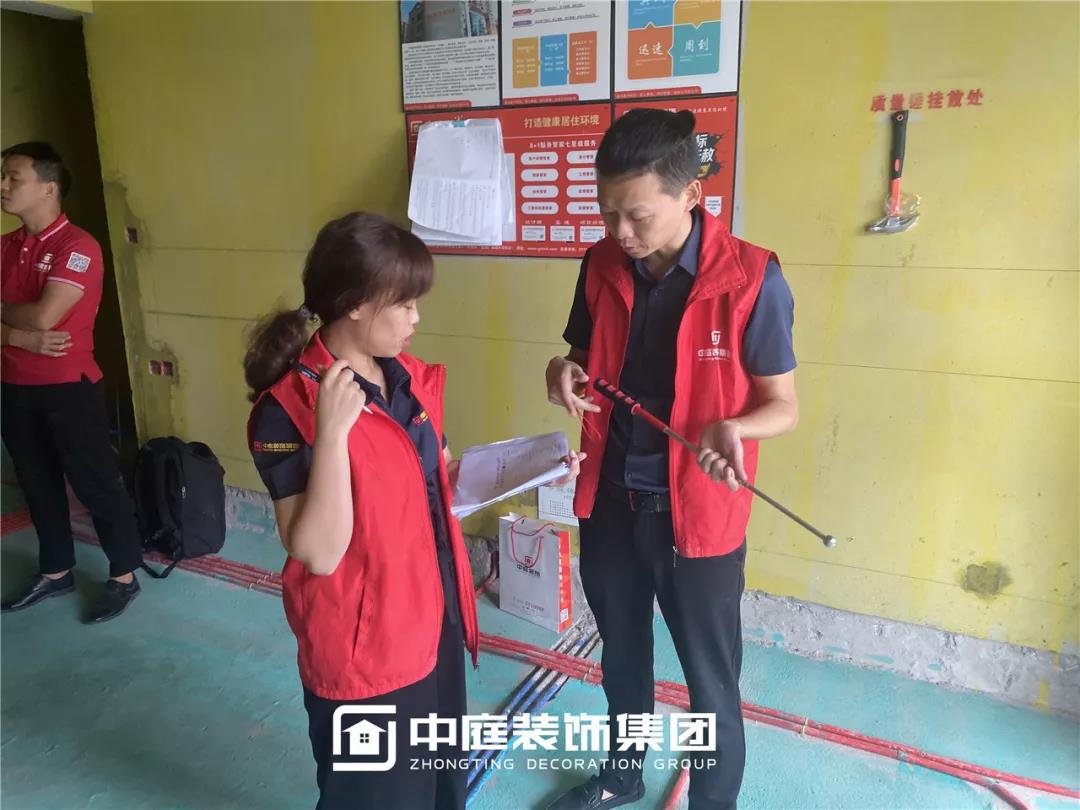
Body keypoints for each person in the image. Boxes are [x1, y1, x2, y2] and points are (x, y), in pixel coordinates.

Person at [244, 212, 582, 809]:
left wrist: (536, 470)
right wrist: (332, 434)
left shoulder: (407, 381)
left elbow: (438, 479)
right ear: (355, 304)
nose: (415, 318)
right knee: (376, 796)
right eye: (403, 304)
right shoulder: (288, 408)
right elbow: (318, 552)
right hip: (365, 649)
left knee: (440, 781)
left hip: (433, 616)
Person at [544, 109, 799, 810]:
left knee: (710, 684)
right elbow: (578, 357)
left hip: (697, 517)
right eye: (607, 213)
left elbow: (784, 406)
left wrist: (737, 426)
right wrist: (560, 372)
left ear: (690, 194)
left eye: (637, 215)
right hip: (611, 501)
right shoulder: (600, 265)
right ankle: (622, 776)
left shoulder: (751, 278)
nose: (620, 232)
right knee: (622, 658)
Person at [0, 142, 143, 623]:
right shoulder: (5, 246)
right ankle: (56, 570)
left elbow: (46, 316)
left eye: (13, 178)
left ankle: (124, 576)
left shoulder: (77, 247)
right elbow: (32, 325)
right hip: (12, 383)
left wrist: (13, 319)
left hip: (67, 387)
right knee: (36, 482)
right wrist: (17, 335)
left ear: (49, 187)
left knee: (94, 482)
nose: (3, 186)